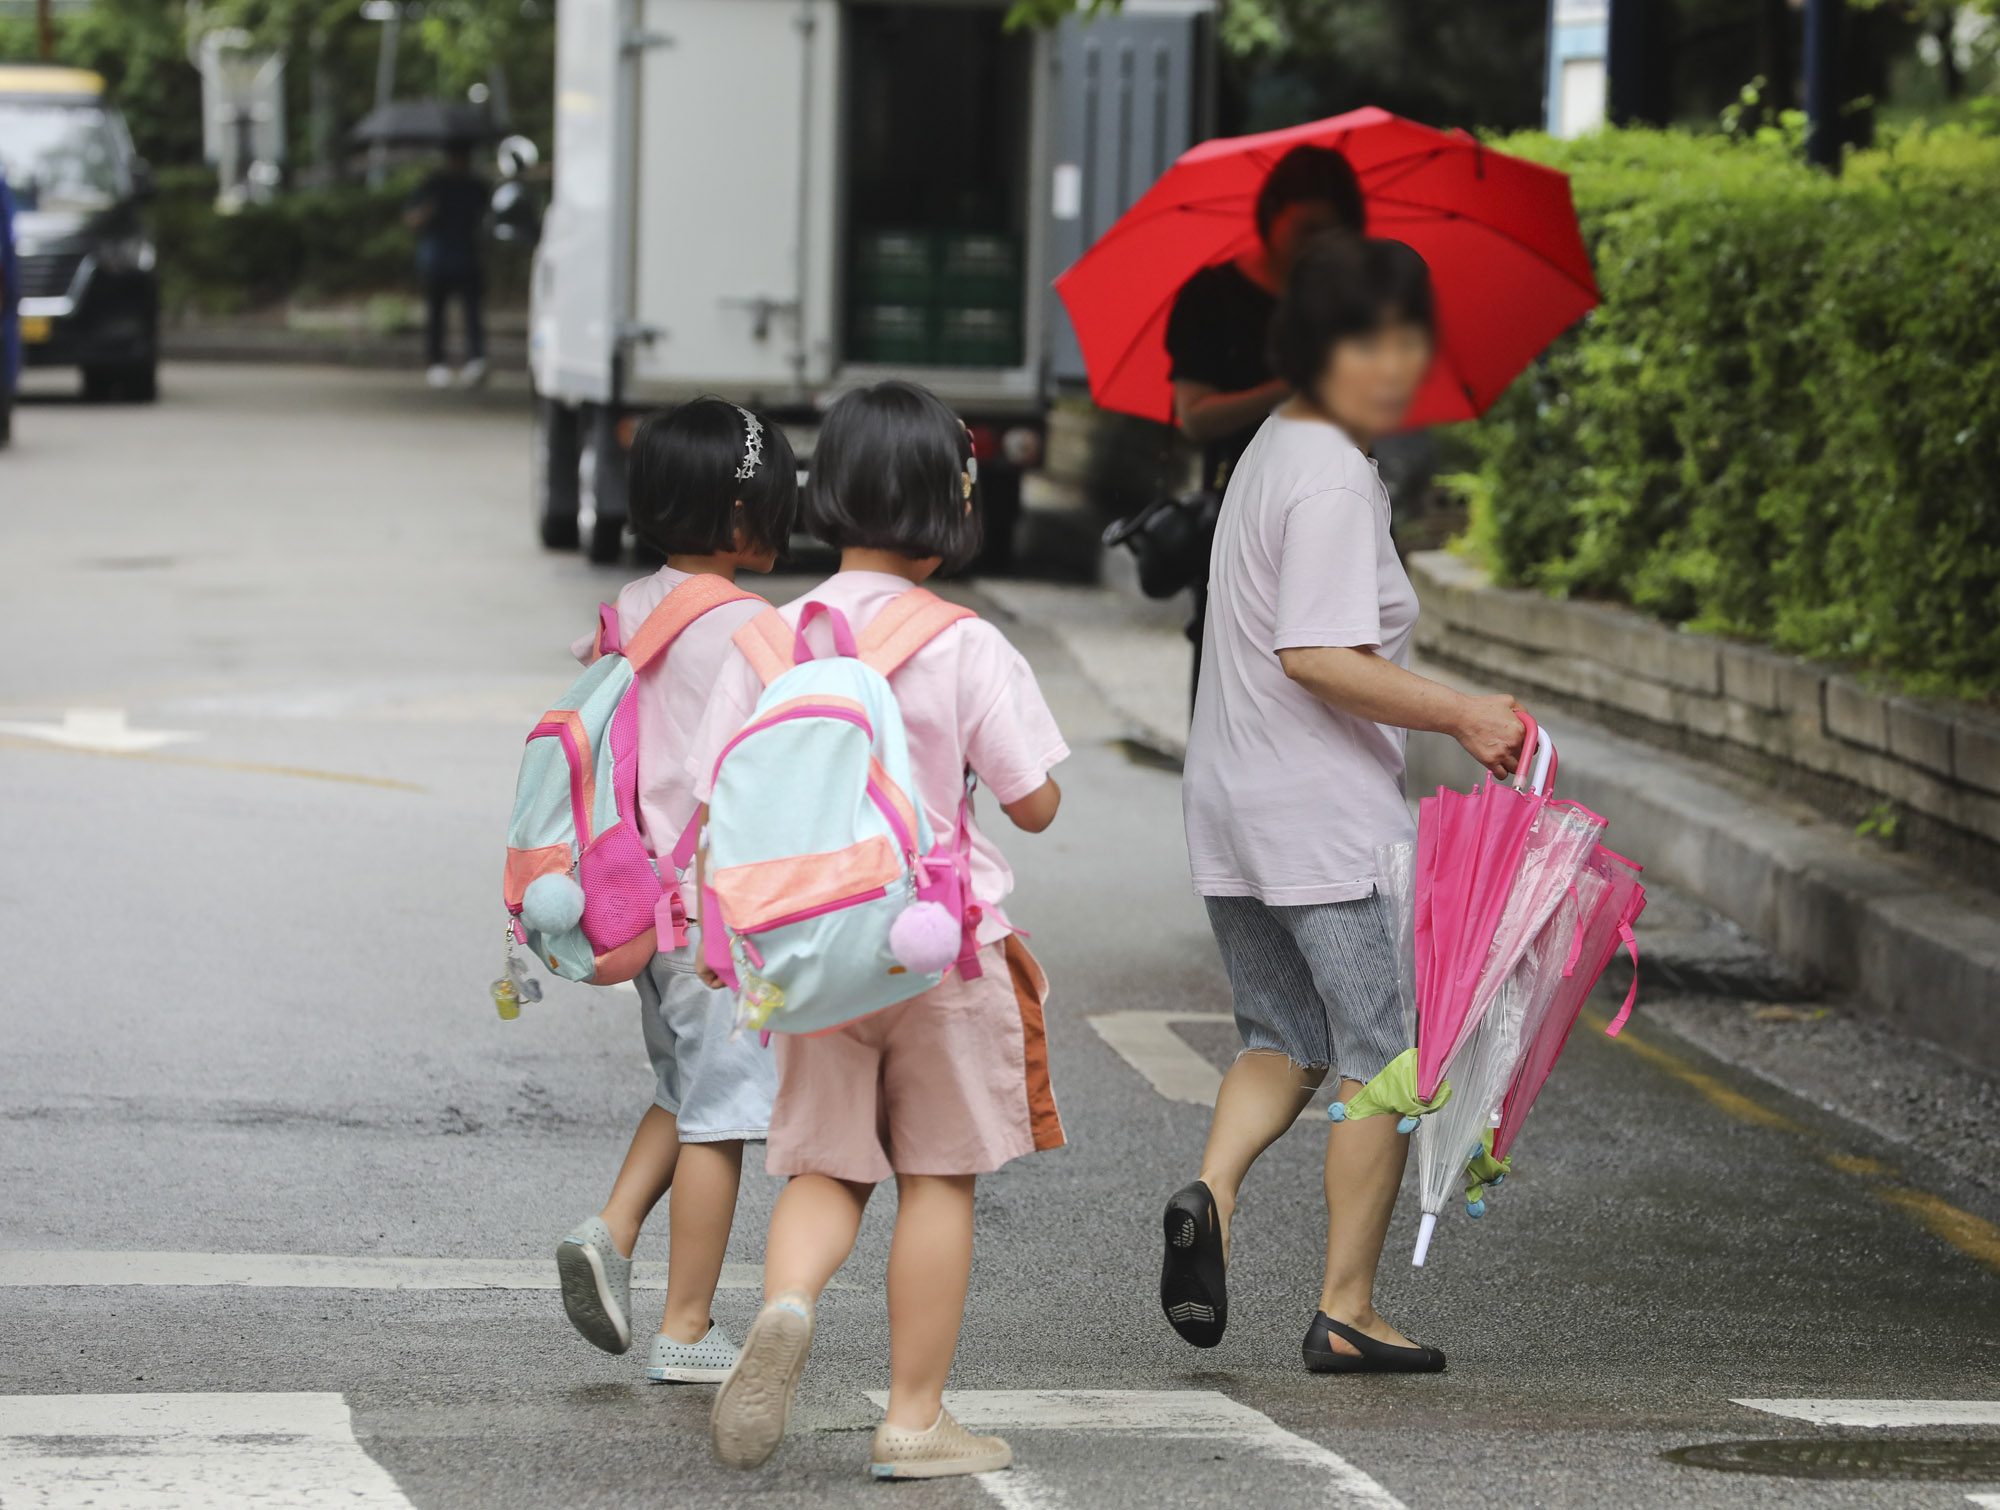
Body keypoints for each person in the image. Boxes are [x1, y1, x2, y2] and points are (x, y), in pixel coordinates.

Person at [1160, 234, 1532, 1374]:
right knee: (1386, 1054)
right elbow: (1316, 651)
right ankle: (1346, 1309)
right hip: (1318, 815)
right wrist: (1462, 712)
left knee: (1284, 1038)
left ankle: (1209, 1195)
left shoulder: (1277, 447)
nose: (1391, 362)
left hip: (1233, 799)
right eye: (1362, 340)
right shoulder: (1324, 470)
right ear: (1309, 351)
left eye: (1404, 339)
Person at [688, 381, 1069, 1481]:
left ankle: (791, 1301)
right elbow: (1034, 799)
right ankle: (912, 1418)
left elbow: (715, 801)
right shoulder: (967, 643)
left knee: (825, 1168)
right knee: (937, 1177)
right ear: (952, 508)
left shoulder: (767, 642)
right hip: (936, 941)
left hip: (811, 957)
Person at [553, 399, 797, 1383]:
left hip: (637, 907)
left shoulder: (633, 604)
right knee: (724, 1114)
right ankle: (687, 1328)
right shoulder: (752, 627)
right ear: (741, 519)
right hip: (714, 919)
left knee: (681, 1086)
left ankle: (608, 1232)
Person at [1159, 144, 1368, 698]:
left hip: (1330, 510)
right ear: (1271, 217)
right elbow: (1196, 418)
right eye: (1307, 229)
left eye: (1335, 233)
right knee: (1230, 675)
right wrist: (1289, 388)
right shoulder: (1213, 297)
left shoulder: (1350, 305)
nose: (1320, 247)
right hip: (1236, 511)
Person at [404, 143, 490, 389]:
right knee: (436, 315)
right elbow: (410, 219)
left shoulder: (475, 187)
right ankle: (436, 362)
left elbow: (488, 219)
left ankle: (476, 360)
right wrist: (427, 211)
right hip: (436, 260)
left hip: (467, 258)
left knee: (472, 314)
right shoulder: (433, 186)